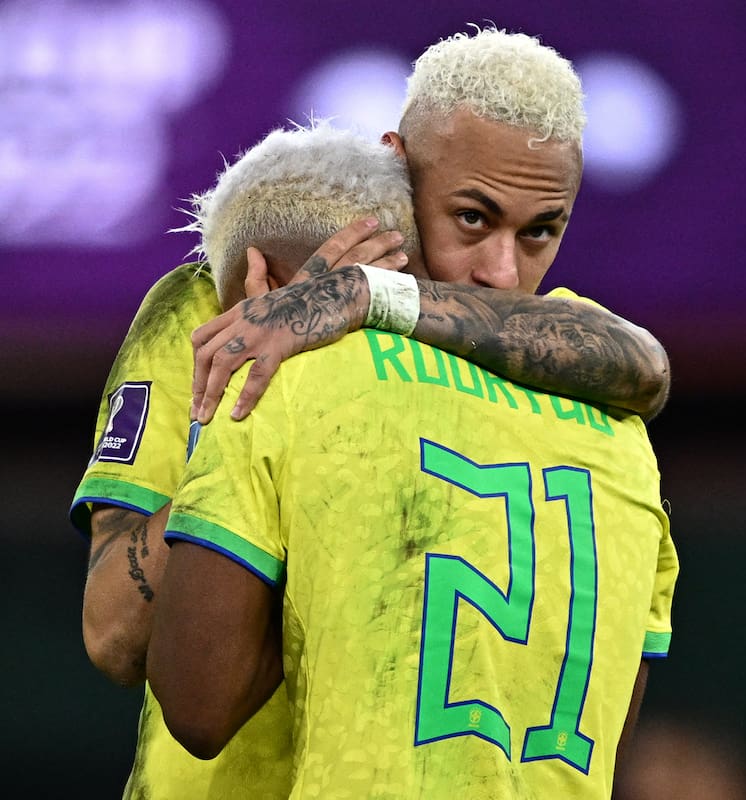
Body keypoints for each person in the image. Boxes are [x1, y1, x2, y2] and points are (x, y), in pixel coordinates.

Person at [71, 32, 671, 800]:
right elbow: (118, 636)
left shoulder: (543, 355)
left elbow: (646, 366)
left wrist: (366, 297)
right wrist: (252, 393)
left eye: (541, 232)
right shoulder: (201, 307)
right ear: (399, 164)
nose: (501, 274)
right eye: (473, 218)